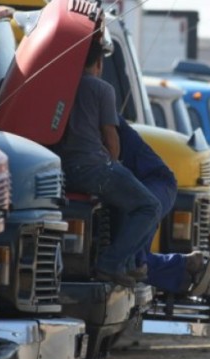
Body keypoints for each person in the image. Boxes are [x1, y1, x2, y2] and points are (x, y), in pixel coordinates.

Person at [54, 38, 160, 286]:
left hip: (64, 169)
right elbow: (111, 137)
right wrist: (115, 163)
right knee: (149, 206)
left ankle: (127, 265)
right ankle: (111, 264)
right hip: (93, 169)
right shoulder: (102, 89)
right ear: (99, 62)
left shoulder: (61, 87)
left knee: (123, 200)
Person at [117, 120, 210, 294]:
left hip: (153, 183)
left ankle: (183, 266)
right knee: (130, 259)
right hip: (142, 185)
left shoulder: (99, 103)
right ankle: (184, 265)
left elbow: (111, 153)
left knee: (132, 262)